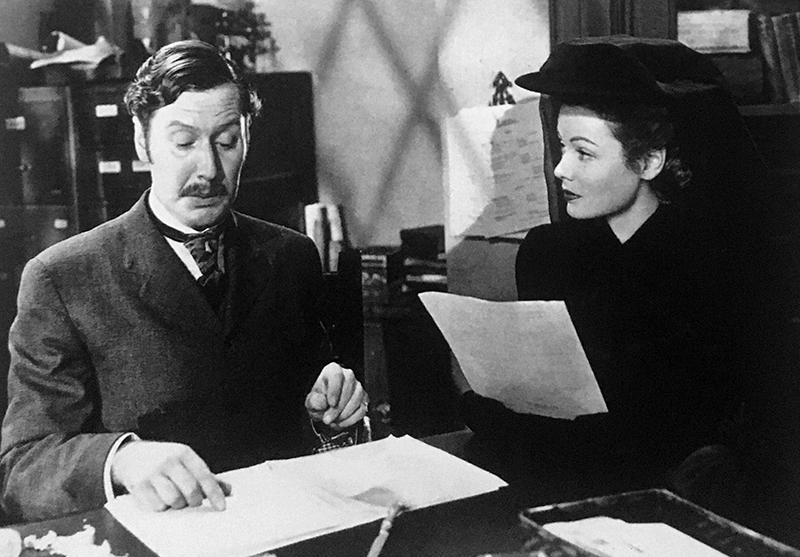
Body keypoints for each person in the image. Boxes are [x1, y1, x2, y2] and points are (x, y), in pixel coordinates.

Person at [0, 39, 369, 523]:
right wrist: (123, 459)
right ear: (142, 141)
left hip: (283, 530)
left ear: (247, 138)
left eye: (226, 142)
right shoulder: (63, 278)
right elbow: (23, 469)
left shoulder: (290, 256)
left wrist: (332, 413)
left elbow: (309, 418)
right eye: (183, 142)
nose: (209, 170)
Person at [455, 36, 774, 515]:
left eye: (584, 153)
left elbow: (670, 437)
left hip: (662, 504)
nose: (560, 169)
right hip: (548, 482)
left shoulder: (712, 268)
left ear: (648, 161)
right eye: (561, 147)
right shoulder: (549, 254)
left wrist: (494, 417)